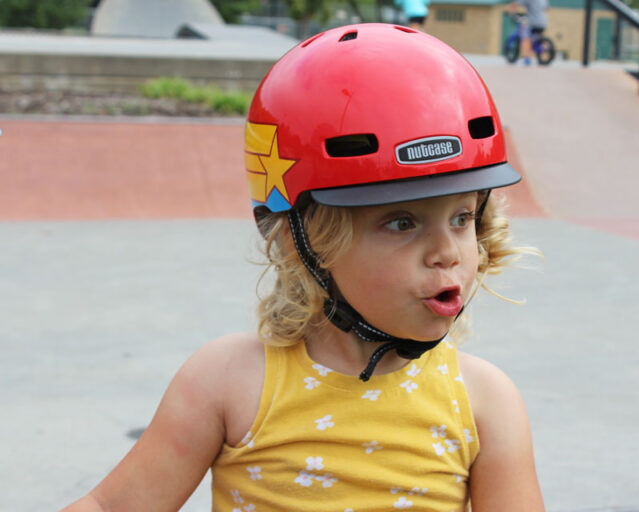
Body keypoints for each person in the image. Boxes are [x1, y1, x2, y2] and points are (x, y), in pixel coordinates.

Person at [63, 23, 545, 512]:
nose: (448, 251)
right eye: (402, 222)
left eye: (463, 217)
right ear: (303, 242)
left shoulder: (484, 403)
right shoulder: (230, 381)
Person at [507, 0, 549, 65]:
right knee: (538, 37)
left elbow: (516, 3)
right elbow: (546, 8)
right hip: (543, 22)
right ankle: (546, 49)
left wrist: (510, 10)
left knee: (526, 38)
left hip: (533, 22)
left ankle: (527, 59)